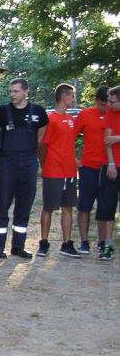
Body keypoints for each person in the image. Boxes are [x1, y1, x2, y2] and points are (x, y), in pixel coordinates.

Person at [0, 78, 48, 258]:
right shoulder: (2, 112)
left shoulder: (38, 112)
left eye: (16, 91)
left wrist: (30, 152)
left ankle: (18, 246)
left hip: (29, 163)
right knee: (2, 204)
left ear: (25, 91)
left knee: (24, 206)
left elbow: (41, 135)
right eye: (11, 91)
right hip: (6, 163)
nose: (12, 95)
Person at [38, 83, 80, 257]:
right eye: (72, 96)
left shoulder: (70, 119)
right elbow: (42, 146)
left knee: (68, 207)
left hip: (69, 171)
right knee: (48, 207)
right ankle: (44, 243)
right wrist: (44, 164)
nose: (73, 99)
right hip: (53, 170)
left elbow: (68, 145)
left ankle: (67, 243)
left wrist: (75, 160)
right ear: (64, 96)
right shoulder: (51, 119)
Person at [74, 86, 109, 254]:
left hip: (108, 168)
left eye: (108, 104)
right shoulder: (86, 114)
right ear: (96, 100)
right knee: (84, 206)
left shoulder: (115, 115)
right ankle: (84, 241)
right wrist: (74, 159)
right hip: (88, 166)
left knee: (105, 207)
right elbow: (70, 136)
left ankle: (102, 242)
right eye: (102, 104)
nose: (105, 107)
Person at [95, 85, 119, 260]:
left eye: (112, 101)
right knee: (108, 206)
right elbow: (107, 140)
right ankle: (107, 245)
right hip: (113, 166)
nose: (109, 104)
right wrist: (111, 163)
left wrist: (118, 138)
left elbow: (113, 138)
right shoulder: (111, 113)